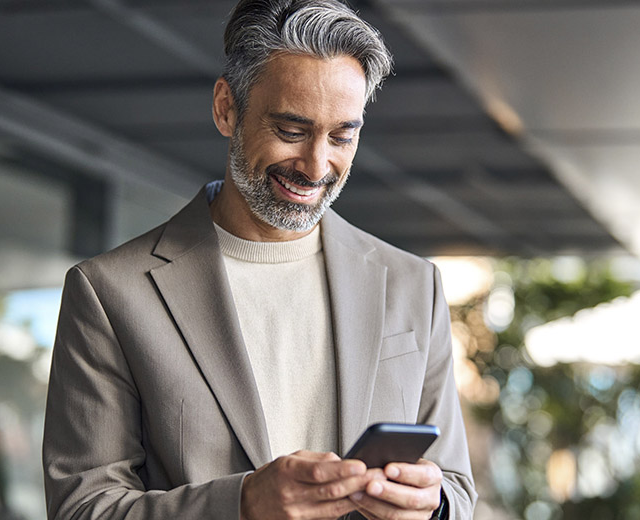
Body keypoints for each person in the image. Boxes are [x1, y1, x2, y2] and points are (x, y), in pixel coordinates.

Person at [41, 0, 476, 518]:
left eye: (343, 135)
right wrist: (242, 504)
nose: (317, 166)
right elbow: (83, 507)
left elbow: (455, 486)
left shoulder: (413, 284)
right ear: (227, 108)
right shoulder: (110, 293)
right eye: (291, 130)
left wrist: (433, 505)